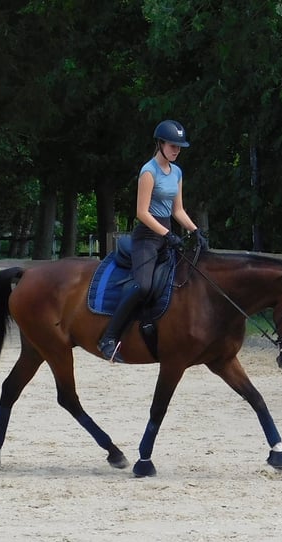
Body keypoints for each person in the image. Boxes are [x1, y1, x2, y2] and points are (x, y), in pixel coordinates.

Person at [97, 119, 209, 362]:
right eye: (172, 146)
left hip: (167, 234)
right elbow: (142, 212)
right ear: (160, 144)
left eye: (179, 147)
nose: (176, 150)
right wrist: (167, 234)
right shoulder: (149, 171)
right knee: (144, 286)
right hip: (148, 237)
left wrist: (194, 230)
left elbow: (177, 210)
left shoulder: (177, 172)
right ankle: (108, 337)